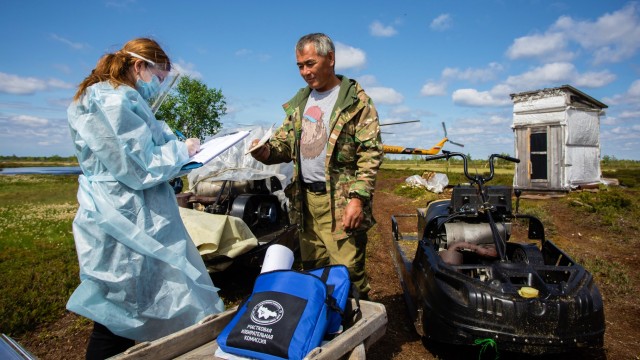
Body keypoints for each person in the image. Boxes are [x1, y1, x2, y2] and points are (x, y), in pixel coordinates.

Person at [66, 37, 224, 359]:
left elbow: (142, 142)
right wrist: (183, 150)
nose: (158, 86)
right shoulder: (112, 100)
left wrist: (174, 141)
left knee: (133, 305)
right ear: (140, 66)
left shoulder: (116, 97)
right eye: (159, 78)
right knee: (118, 312)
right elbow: (138, 165)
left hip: (127, 212)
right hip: (124, 217)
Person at [250, 33, 382, 299]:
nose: (305, 72)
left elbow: (370, 153)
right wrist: (265, 151)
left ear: (330, 58)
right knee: (313, 272)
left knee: (347, 274)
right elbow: (284, 146)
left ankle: (357, 331)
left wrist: (357, 199)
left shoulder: (356, 102)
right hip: (306, 203)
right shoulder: (300, 103)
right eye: (300, 66)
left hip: (341, 203)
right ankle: (323, 330)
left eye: (310, 63)